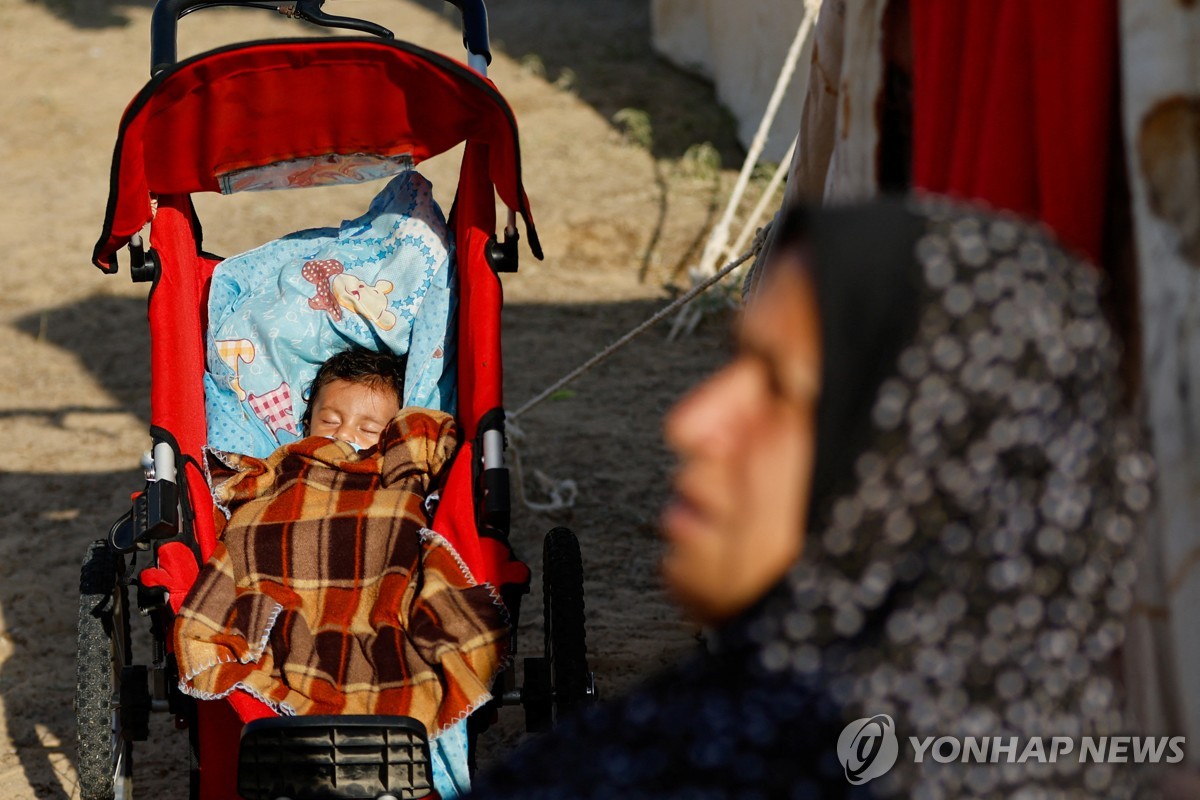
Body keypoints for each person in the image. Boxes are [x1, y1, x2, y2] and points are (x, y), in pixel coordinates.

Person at [467, 197, 1154, 798]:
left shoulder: (659, 772)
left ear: (940, 469)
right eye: (734, 364)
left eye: (782, 391)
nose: (691, 422)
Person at [174, 346, 508, 797]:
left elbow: (438, 442)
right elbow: (244, 487)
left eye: (369, 428)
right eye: (329, 421)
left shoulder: (398, 459)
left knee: (398, 614)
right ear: (308, 420)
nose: (347, 434)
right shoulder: (292, 459)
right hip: (291, 556)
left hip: (380, 563)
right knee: (268, 574)